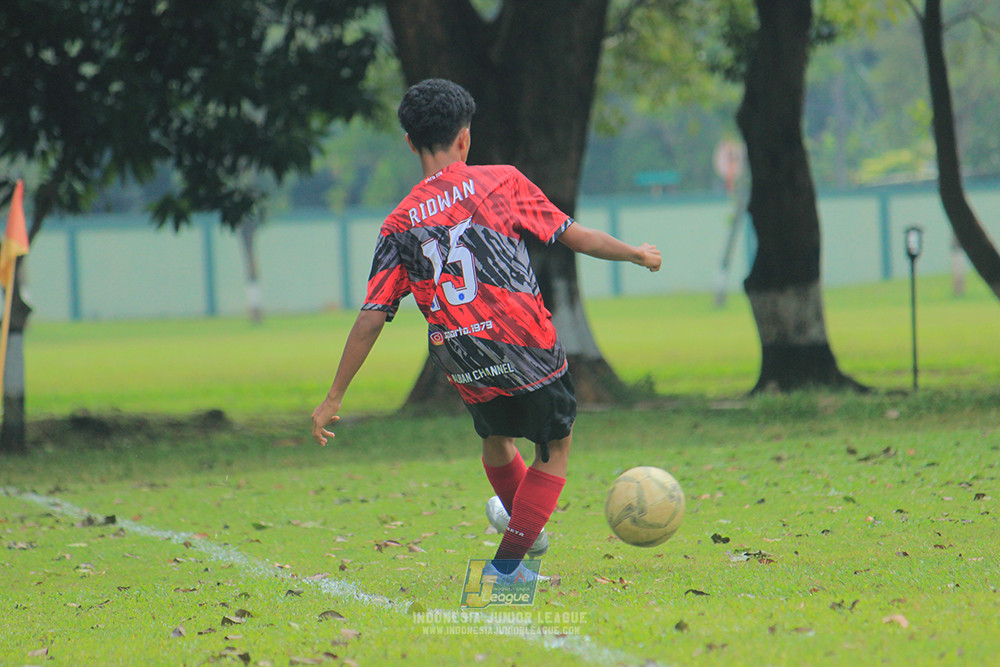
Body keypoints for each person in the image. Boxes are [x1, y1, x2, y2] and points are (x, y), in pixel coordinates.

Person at [311, 78, 660, 583]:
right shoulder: (501, 182)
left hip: (462, 355)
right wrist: (635, 253)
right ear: (465, 138)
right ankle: (506, 570)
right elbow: (576, 236)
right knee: (554, 449)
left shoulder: (399, 224)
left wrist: (334, 396)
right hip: (523, 343)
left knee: (497, 441)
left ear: (410, 143)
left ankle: (526, 529)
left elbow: (371, 316)